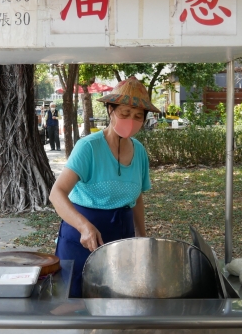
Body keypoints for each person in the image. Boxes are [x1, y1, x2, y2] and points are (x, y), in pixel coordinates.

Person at [48, 77, 161, 298]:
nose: (131, 121)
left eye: (138, 116)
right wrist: (84, 227)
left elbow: (136, 197)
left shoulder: (139, 152)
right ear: (110, 109)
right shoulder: (89, 147)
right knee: (74, 300)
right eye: (125, 113)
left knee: (116, 298)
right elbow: (56, 193)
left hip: (122, 235)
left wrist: (141, 237)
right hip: (82, 235)